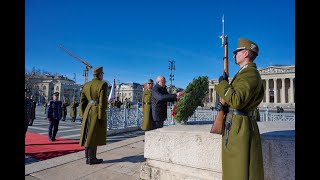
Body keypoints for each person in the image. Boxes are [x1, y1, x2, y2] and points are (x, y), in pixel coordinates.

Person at [213, 38, 264, 180]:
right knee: (233, 167)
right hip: (236, 124)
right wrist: (223, 104)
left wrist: (223, 85)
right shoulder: (243, 73)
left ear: (246, 53)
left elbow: (237, 100)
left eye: (237, 52)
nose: (234, 55)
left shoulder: (250, 74)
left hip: (240, 127)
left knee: (238, 169)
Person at [79, 66, 108, 165]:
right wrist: (101, 117)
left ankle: (88, 157)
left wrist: (83, 114)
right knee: (93, 135)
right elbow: (102, 102)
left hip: (88, 110)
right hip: (96, 111)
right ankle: (92, 159)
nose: (102, 76)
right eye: (102, 74)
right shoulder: (102, 84)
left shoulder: (86, 85)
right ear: (100, 75)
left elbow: (82, 101)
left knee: (87, 134)